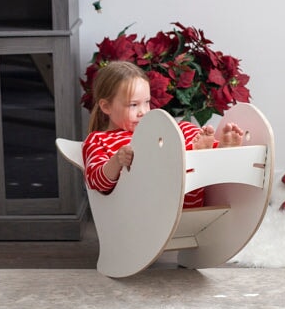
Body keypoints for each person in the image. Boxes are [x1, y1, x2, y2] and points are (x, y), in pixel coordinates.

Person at [82, 61, 244, 208]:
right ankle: (194, 153)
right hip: (147, 208)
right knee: (172, 151)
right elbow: (96, 181)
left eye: (147, 102)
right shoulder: (98, 140)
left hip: (186, 200)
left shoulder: (156, 130)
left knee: (183, 128)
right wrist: (117, 161)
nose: (143, 112)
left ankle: (216, 150)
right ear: (106, 107)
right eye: (133, 105)